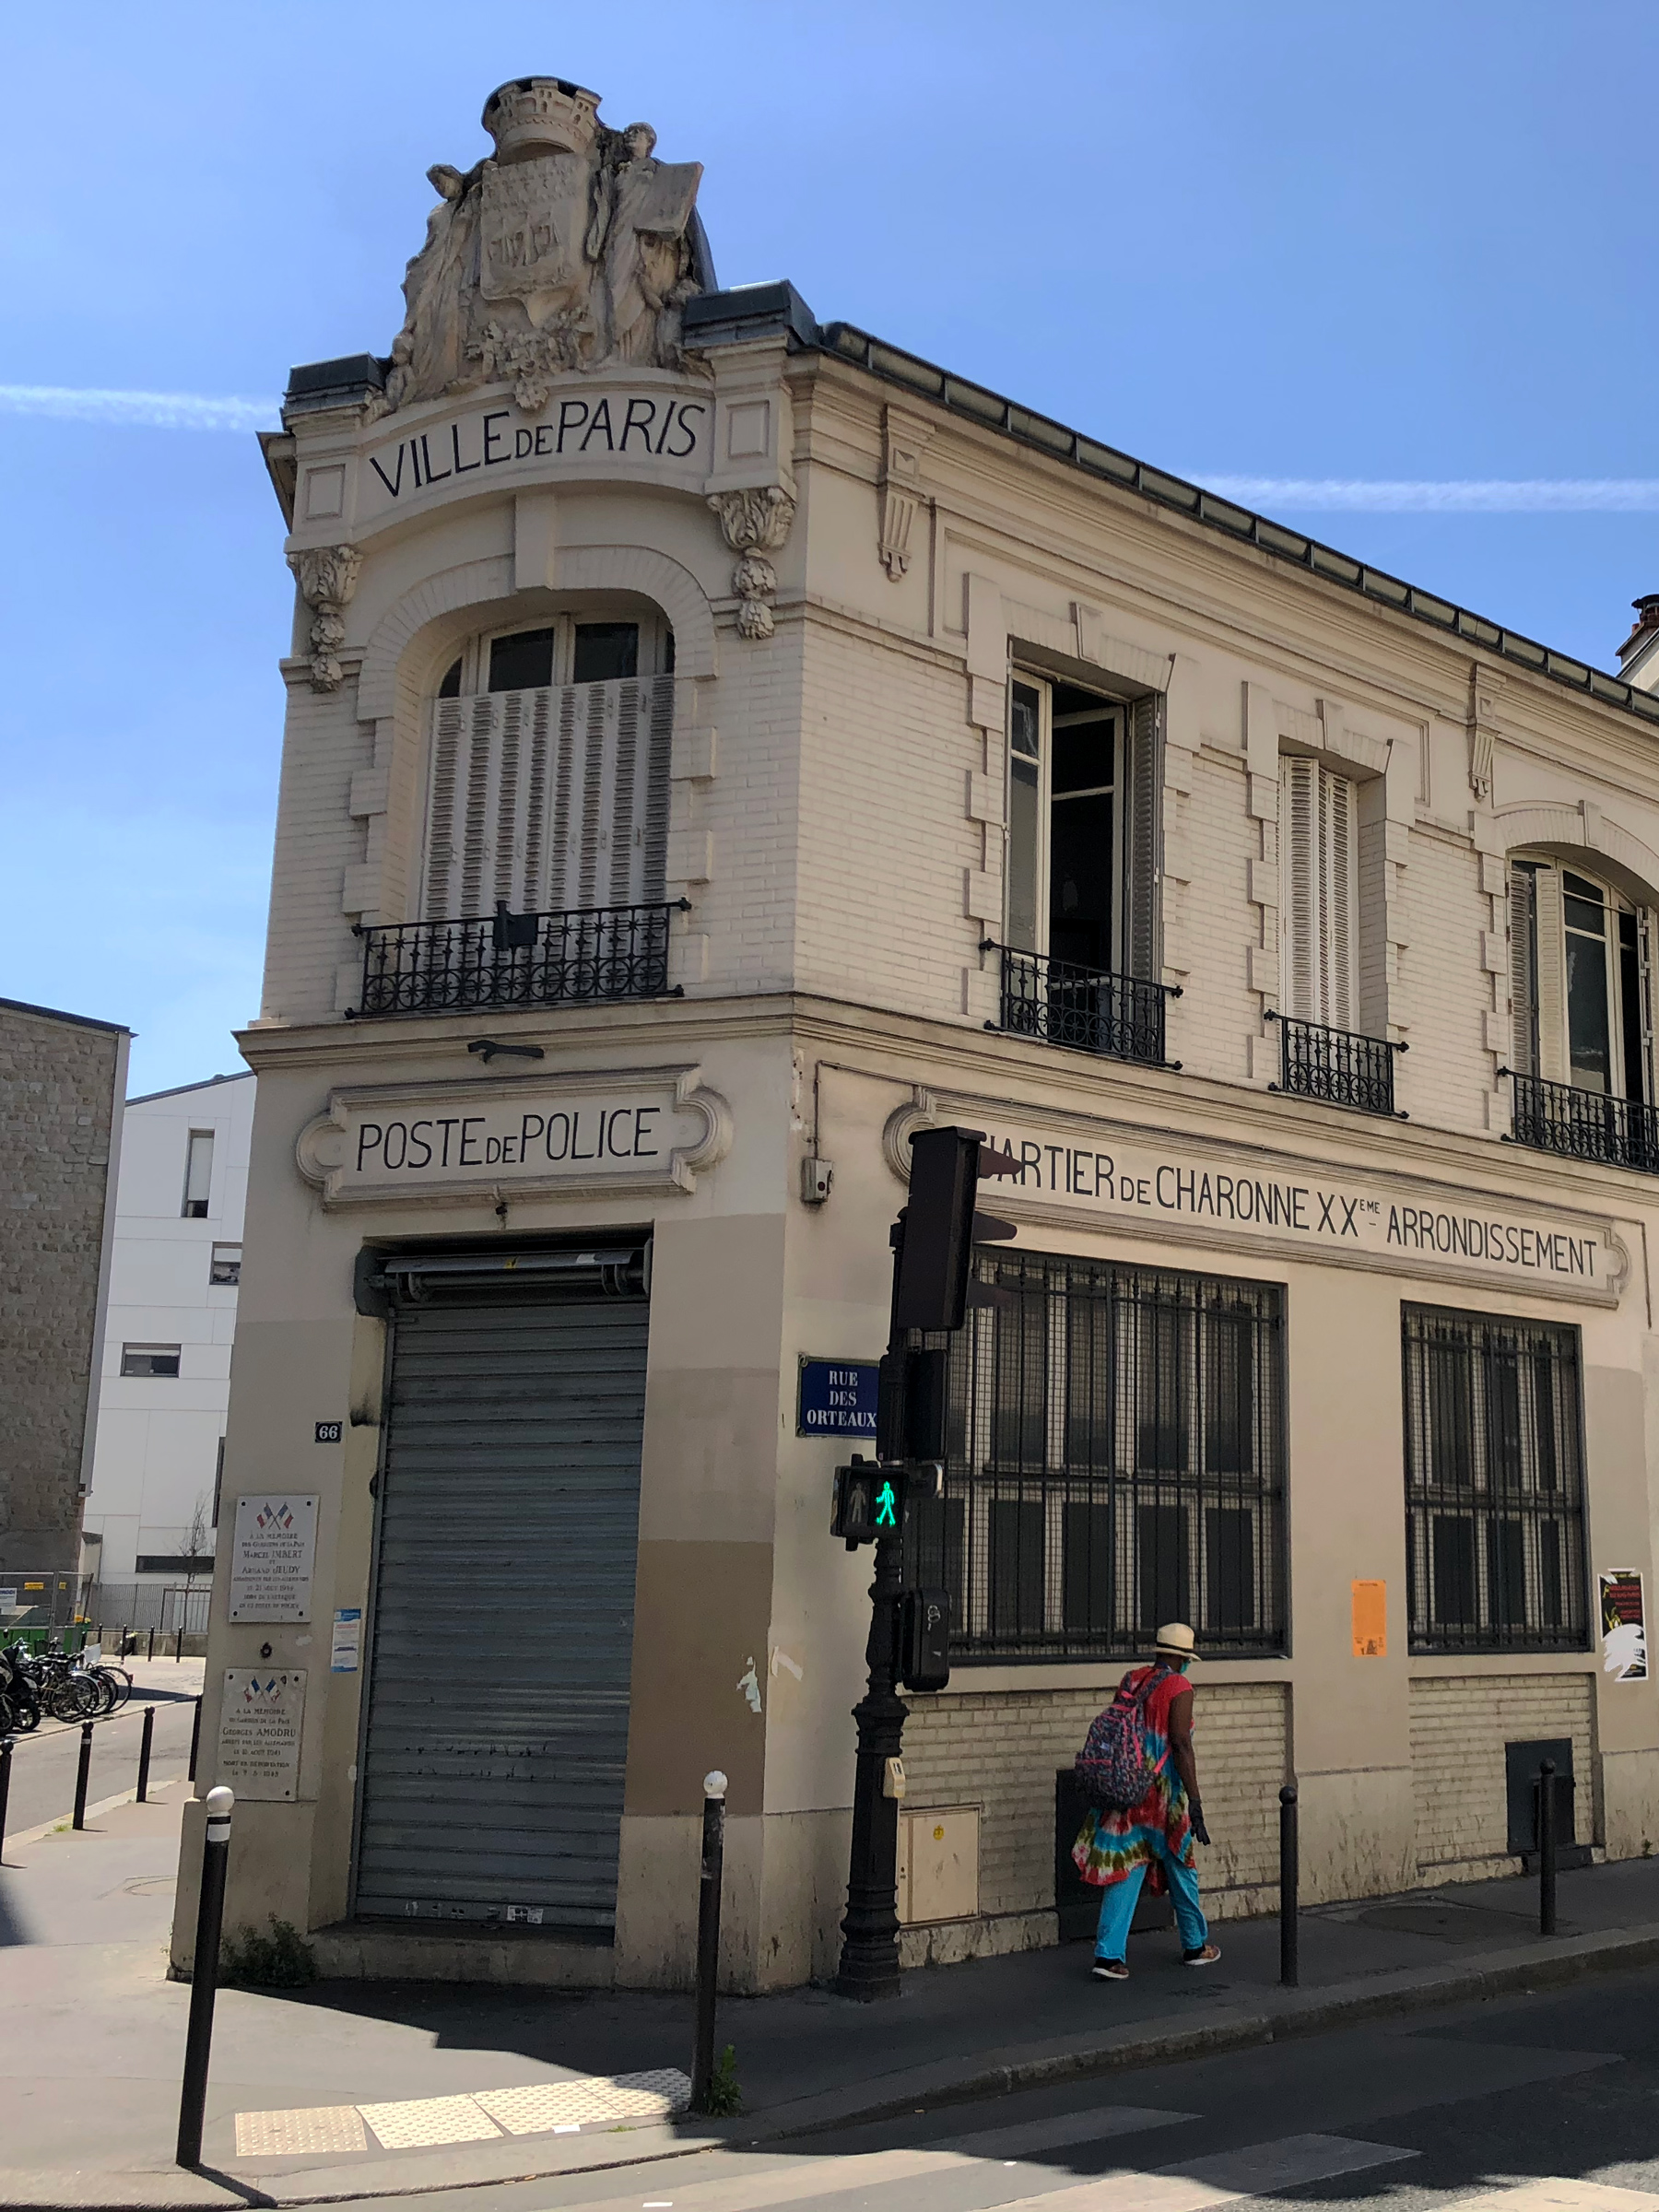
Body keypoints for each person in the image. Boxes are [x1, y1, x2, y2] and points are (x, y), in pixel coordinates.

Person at [1073, 1621, 1220, 1980]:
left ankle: (1108, 1956)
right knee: (1182, 1866)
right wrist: (1195, 1801)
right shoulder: (1178, 1686)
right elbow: (1181, 1744)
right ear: (1180, 1656)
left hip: (1127, 1790)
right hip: (1162, 1797)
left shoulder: (1132, 1679)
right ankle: (1195, 1945)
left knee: (1128, 1866)